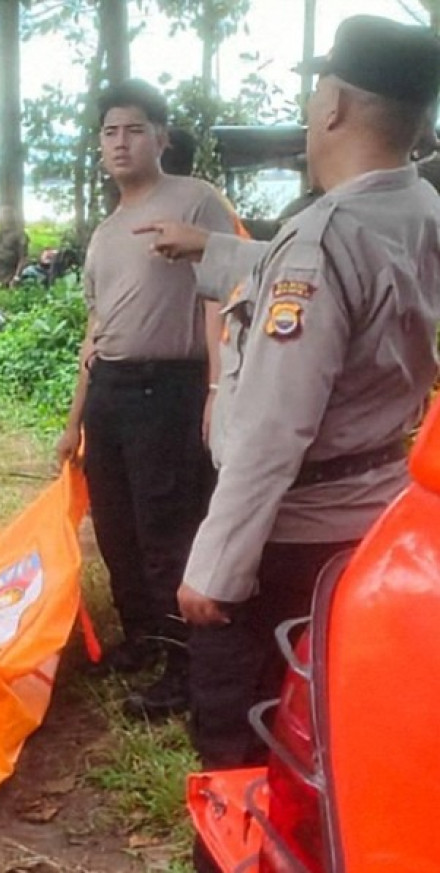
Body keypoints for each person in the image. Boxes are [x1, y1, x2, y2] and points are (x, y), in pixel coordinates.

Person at [148, 10, 440, 808]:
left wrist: (215, 567)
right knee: (335, 739)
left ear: (335, 105)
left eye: (318, 91)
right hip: (377, 522)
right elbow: (356, 293)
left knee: (247, 749)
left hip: (288, 542)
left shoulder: (323, 235)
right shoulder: (418, 211)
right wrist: (215, 252)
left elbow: (277, 427)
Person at [56, 79, 237, 721]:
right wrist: (73, 420)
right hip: (110, 389)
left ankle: (186, 667)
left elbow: (223, 294)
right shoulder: (105, 232)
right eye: (110, 131)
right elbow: (94, 329)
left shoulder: (195, 201)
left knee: (166, 527)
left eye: (134, 129)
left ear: (161, 136)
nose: (121, 142)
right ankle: (143, 638)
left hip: (172, 388)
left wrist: (218, 389)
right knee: (115, 525)